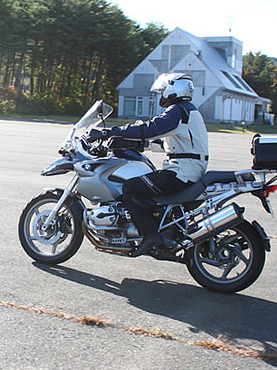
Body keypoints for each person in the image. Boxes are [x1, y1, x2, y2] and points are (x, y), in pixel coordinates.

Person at [87, 73, 209, 256]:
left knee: (131, 187)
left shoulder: (178, 111)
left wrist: (108, 132)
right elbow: (169, 142)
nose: (162, 96)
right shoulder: (187, 110)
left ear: (173, 90)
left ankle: (150, 235)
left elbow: (152, 129)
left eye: (163, 91)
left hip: (181, 173)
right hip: (188, 169)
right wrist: (136, 143)